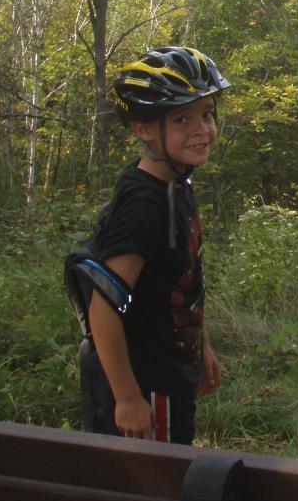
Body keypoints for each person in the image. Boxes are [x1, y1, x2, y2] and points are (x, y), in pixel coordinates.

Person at [82, 45, 228, 444]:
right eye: (182, 119)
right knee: (155, 494)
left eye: (207, 114)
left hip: (171, 370)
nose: (202, 129)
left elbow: (180, 283)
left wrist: (202, 346)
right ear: (143, 129)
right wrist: (127, 398)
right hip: (147, 384)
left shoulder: (175, 183)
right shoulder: (145, 206)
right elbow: (103, 308)